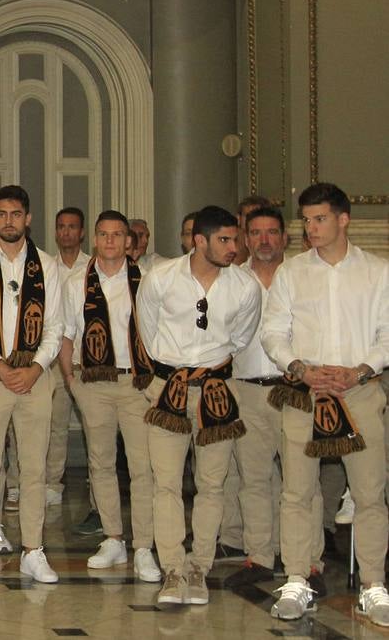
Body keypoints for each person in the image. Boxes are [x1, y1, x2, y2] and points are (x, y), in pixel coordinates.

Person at [263, 183, 389, 626]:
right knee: (298, 491)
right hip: (306, 392)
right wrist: (300, 367)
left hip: (359, 390)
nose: (310, 228)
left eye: (319, 219)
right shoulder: (292, 273)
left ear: (343, 219)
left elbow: (387, 336)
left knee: (370, 493)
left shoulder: (377, 271)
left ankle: (374, 585)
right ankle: (298, 577)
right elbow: (273, 333)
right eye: (306, 220)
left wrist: (359, 370)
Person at [136, 205, 261, 606]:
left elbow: (241, 338)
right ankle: (172, 567)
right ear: (199, 241)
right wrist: (172, 372)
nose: (233, 247)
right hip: (169, 385)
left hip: (217, 389)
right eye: (224, 240)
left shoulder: (244, 286)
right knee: (166, 483)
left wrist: (206, 367)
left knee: (212, 483)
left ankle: (198, 567)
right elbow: (147, 329)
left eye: (235, 240)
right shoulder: (161, 278)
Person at [0, 184, 65, 585]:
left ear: (28, 218)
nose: (8, 221)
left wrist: (36, 367)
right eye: (0, 214)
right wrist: (1, 366)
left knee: (33, 467)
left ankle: (33, 550)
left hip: (36, 376)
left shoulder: (48, 266)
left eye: (15, 214)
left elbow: (56, 326)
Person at [61, 211, 161, 582]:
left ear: (128, 242)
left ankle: (145, 547)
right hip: (93, 383)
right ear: (95, 239)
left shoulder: (148, 281)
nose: (109, 242)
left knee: (141, 467)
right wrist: (72, 380)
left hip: (136, 384)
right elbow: (67, 333)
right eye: (103, 235)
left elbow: (158, 334)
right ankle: (113, 538)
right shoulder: (76, 282)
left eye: (117, 235)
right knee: (100, 464)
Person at [222, 205, 295, 591]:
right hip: (247, 388)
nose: (264, 240)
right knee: (253, 479)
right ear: (245, 238)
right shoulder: (230, 281)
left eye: (272, 233)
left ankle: (304, 559)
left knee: (301, 481)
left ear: (285, 237)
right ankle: (261, 557)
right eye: (256, 233)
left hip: (294, 390)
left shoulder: (301, 277)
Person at [47, 206, 89, 507]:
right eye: (61, 226)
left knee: (93, 424)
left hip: (86, 358)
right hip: (52, 358)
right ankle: (51, 482)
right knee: (55, 423)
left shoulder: (95, 266)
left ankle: (97, 483)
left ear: (82, 232)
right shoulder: (47, 267)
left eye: (72, 227)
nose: (66, 232)